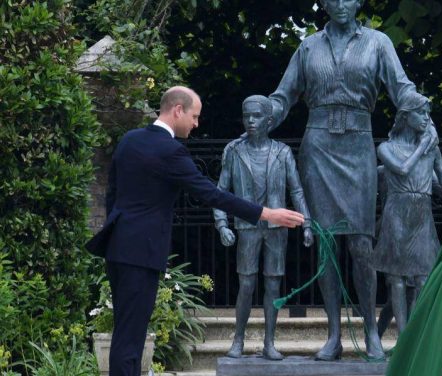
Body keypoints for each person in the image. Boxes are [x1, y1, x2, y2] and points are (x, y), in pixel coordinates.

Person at [86, 86, 305, 376]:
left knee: (126, 333)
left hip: (118, 248)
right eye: (195, 116)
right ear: (178, 110)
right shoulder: (170, 150)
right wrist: (266, 212)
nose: (196, 123)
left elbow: (112, 194)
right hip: (142, 252)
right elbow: (211, 194)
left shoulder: (129, 140)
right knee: (132, 336)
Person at [268, 0, 436, 360]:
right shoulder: (308, 46)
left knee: (362, 243)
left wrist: (419, 107)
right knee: (327, 246)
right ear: (324, 4)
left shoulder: (378, 42)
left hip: (359, 145)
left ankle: (371, 332)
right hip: (318, 147)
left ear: (358, 2)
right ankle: (333, 335)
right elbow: (283, 97)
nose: (341, 4)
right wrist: (262, 116)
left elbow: (401, 87)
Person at [213, 95, 314, 360]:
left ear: (269, 121)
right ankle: (238, 340)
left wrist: (307, 223)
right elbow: (220, 192)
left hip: (277, 229)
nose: (250, 121)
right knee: (246, 285)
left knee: (273, 286)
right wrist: (222, 223)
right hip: (247, 228)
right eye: (246, 116)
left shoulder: (282, 152)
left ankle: (270, 342)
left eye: (256, 116)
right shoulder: (234, 152)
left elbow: (297, 190)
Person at [373, 93, 442, 335]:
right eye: (421, 113)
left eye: (428, 114)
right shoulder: (386, 148)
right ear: (405, 116)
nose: (426, 118)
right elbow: (402, 170)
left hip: (421, 215)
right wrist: (423, 146)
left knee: (423, 277)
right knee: (397, 279)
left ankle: (416, 335)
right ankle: (403, 337)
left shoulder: (432, 151)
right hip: (397, 214)